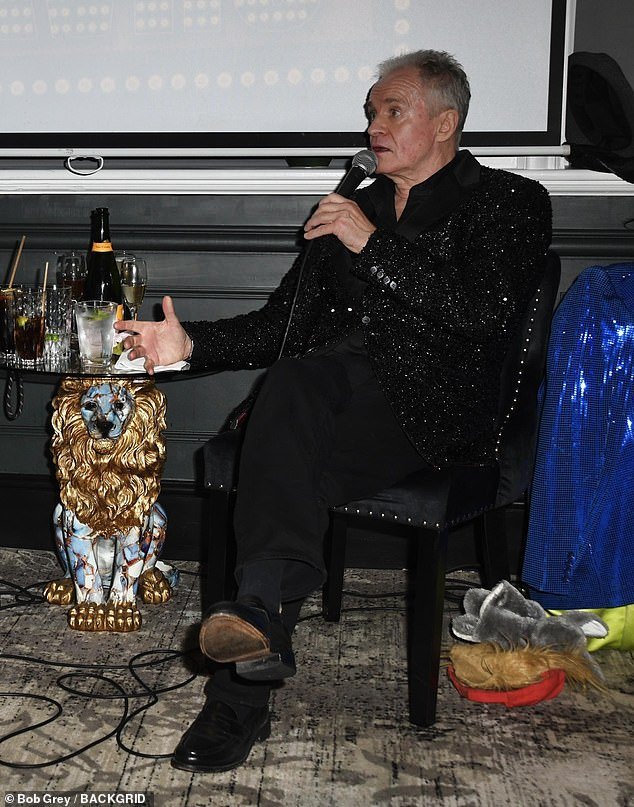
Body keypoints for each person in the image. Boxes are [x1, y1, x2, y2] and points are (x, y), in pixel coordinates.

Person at [116, 49, 552, 772]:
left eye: (393, 111)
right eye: (371, 113)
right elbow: (279, 324)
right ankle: (259, 622)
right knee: (293, 391)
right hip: (326, 401)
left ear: (446, 123)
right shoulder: (357, 203)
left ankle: (239, 689)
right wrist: (189, 344)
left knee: (289, 433)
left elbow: (482, 314)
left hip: (432, 414)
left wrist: (371, 246)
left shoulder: (509, 202)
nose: (374, 126)